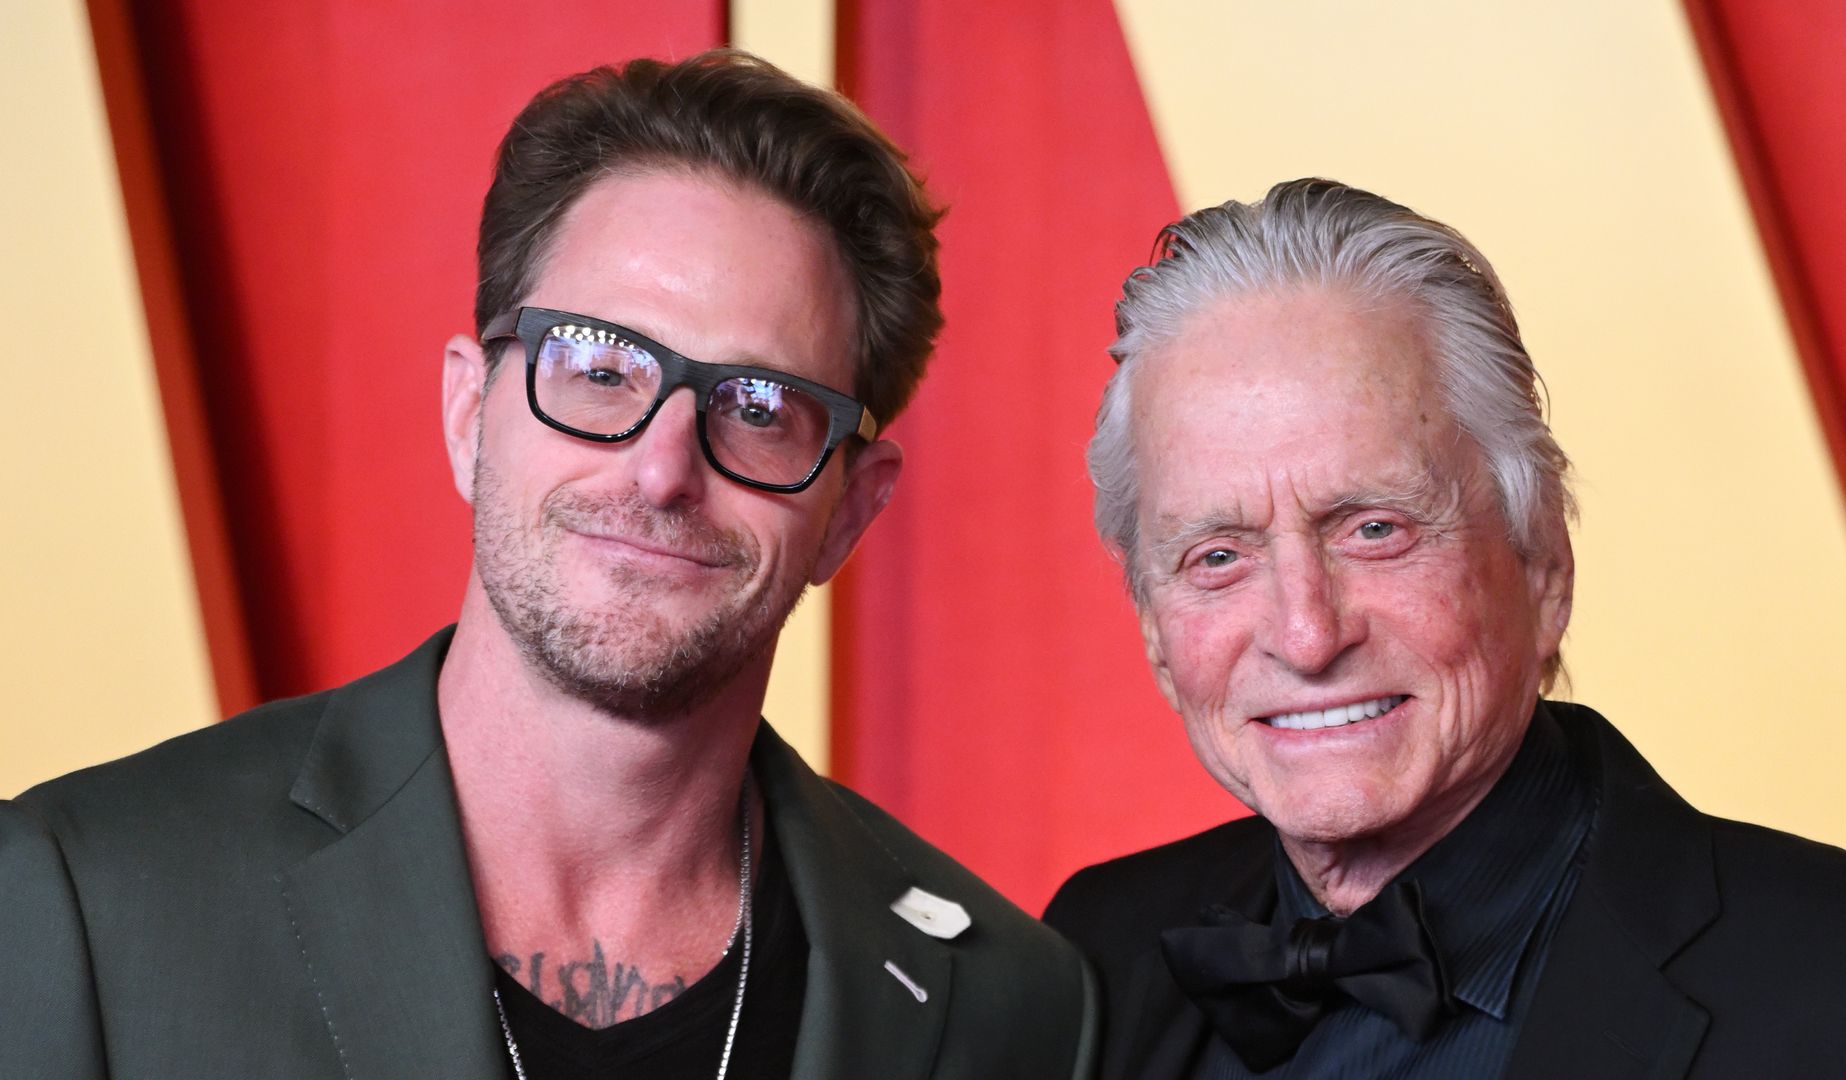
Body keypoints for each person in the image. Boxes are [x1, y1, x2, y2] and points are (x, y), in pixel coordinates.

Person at [2, 50, 1092, 1080]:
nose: (662, 470)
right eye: (600, 368)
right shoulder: (85, 900)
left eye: (759, 408)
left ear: (849, 511)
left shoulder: (1010, 1007)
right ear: (469, 413)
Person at [1044, 177, 1846, 1078]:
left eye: (1375, 529)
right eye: (1219, 556)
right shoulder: (1084, 962)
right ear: (1155, 631)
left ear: (1543, 568)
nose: (1306, 636)